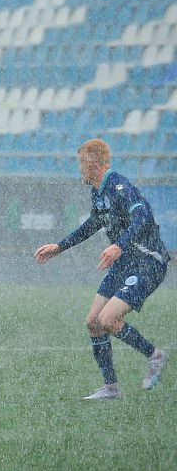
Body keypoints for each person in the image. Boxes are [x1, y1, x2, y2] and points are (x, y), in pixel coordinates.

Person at [33, 139, 169, 400]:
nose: (80, 169)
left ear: (93, 164)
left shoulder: (119, 185)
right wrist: (59, 247)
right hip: (123, 262)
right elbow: (93, 223)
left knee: (109, 320)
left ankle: (155, 355)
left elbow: (142, 217)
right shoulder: (97, 191)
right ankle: (111, 388)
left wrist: (117, 246)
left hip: (147, 262)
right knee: (94, 323)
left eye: (82, 163)